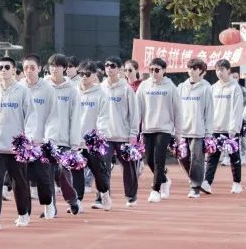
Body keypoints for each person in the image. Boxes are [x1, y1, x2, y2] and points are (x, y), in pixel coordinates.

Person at [0, 56, 34, 230]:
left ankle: (23, 213)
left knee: (18, 182)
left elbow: (30, 116)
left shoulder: (23, 91)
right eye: (0, 67)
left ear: (13, 70)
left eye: (6, 67)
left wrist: (26, 141)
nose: (3, 70)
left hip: (16, 147)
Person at [137, 56, 181, 203]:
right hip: (148, 128)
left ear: (164, 71)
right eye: (151, 70)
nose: (153, 73)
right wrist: (135, 129)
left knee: (158, 159)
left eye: (157, 70)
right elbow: (138, 108)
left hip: (165, 128)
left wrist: (178, 132)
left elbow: (177, 111)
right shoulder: (144, 86)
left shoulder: (171, 87)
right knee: (148, 159)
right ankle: (164, 179)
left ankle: (155, 190)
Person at [40, 54, 80, 216]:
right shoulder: (42, 87)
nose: (54, 69)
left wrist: (74, 143)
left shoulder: (71, 90)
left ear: (64, 68)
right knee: (47, 175)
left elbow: (75, 117)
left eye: (57, 66)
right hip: (45, 139)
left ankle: (72, 199)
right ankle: (50, 207)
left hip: (64, 139)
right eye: (51, 66)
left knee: (63, 172)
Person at [20, 54, 59, 216]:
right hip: (22, 144)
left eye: (32, 68)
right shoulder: (18, 88)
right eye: (26, 68)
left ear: (39, 69)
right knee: (22, 180)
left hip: (41, 142)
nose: (29, 71)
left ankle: (48, 203)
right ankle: (24, 212)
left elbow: (53, 116)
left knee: (43, 178)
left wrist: (48, 139)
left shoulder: (48, 89)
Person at [100, 56, 141, 206]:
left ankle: (131, 196)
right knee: (103, 166)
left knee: (128, 167)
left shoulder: (126, 89)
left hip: (123, 135)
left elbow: (134, 113)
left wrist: (132, 134)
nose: (109, 68)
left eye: (112, 65)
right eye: (107, 65)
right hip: (105, 136)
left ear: (119, 69)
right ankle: (103, 196)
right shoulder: (101, 87)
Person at [71, 60, 111, 209]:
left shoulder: (101, 93)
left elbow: (104, 117)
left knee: (99, 173)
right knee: (76, 171)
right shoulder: (73, 92)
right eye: (80, 74)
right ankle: (78, 202)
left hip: (93, 142)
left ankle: (104, 193)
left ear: (94, 75)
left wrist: (98, 136)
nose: (83, 77)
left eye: (87, 74)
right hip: (75, 140)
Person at [203, 59, 245, 195]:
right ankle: (207, 183)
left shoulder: (235, 88)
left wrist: (234, 129)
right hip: (215, 129)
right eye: (217, 70)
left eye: (222, 69)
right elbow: (208, 109)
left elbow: (237, 109)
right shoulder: (213, 88)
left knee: (234, 157)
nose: (219, 73)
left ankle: (237, 183)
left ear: (228, 70)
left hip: (230, 130)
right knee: (212, 157)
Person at [178, 59, 214, 199]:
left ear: (201, 71)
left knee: (196, 159)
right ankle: (197, 179)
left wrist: (208, 132)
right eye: (189, 68)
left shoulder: (206, 88)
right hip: (182, 129)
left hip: (198, 130)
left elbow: (209, 112)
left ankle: (195, 187)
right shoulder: (181, 87)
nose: (191, 70)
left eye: (194, 68)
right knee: (183, 157)